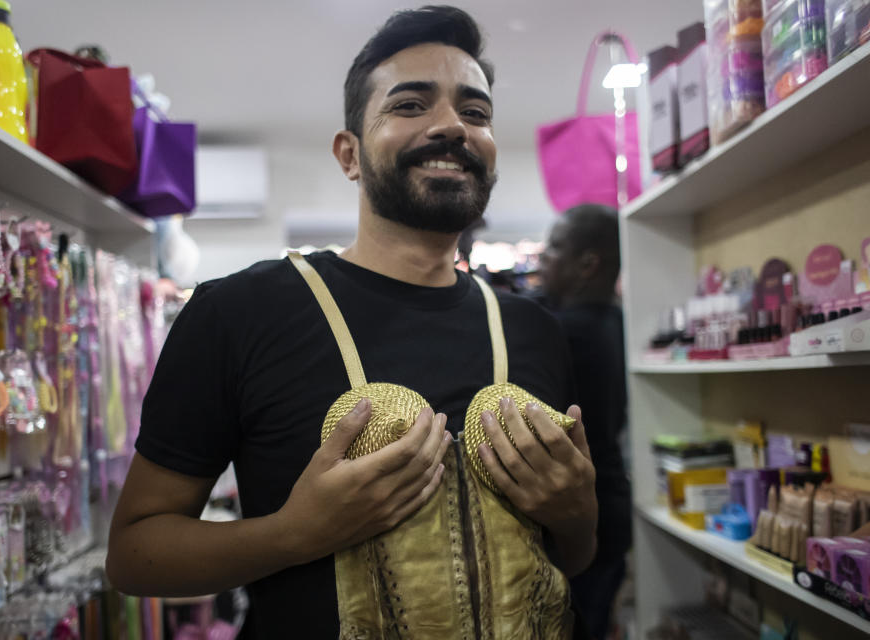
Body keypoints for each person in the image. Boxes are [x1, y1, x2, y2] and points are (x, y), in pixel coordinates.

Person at [107, 6, 597, 638]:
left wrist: (579, 515)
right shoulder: (238, 313)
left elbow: (572, 556)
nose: (452, 125)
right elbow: (133, 556)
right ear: (350, 155)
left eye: (475, 113)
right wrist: (291, 535)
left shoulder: (534, 329)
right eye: (411, 105)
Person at [538, 204, 632, 640]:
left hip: (585, 519)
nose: (542, 256)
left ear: (588, 264)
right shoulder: (614, 320)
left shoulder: (564, 332)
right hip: (611, 506)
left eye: (555, 247)